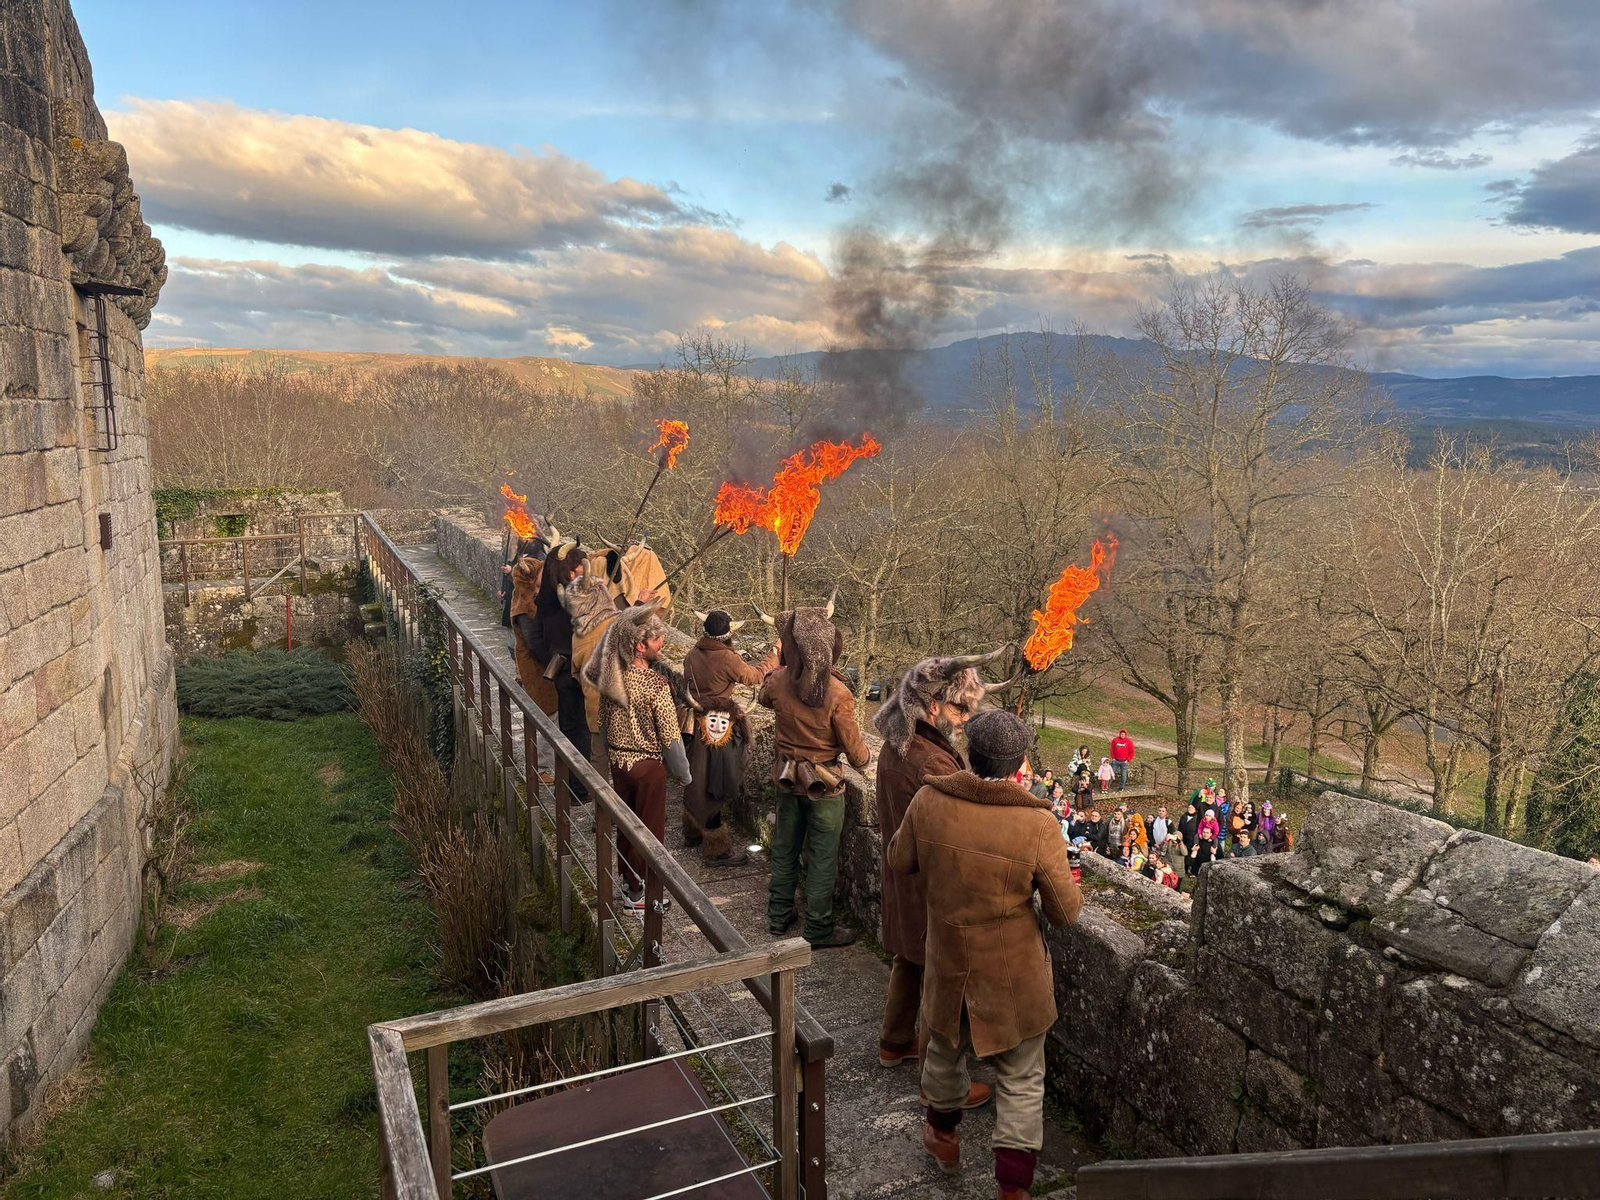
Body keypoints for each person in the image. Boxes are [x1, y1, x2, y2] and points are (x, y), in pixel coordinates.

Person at [889, 709, 1082, 1198]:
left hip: (948, 957)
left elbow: (899, 859)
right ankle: (1012, 1187)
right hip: (1012, 972)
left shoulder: (930, 799)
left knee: (943, 1047)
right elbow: (1065, 912)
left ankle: (943, 1134)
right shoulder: (1036, 824)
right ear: (1020, 764)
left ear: (968, 753)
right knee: (1020, 1075)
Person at [873, 648, 1008, 1107]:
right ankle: (941, 1084)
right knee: (939, 978)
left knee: (908, 958)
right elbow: (965, 815)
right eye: (958, 707)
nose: (963, 718)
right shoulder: (931, 759)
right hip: (929, 881)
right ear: (932, 704)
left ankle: (893, 1042)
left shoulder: (899, 740)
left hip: (901, 870)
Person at [760, 590, 871, 949]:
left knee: (785, 847)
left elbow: (763, 698)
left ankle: (778, 915)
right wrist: (868, 759)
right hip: (825, 787)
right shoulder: (839, 694)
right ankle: (818, 928)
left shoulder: (778, 681)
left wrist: (780, 664)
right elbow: (857, 755)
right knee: (822, 858)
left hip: (787, 779)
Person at [584, 599, 691, 909]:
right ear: (640, 646)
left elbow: (602, 724)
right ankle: (641, 892)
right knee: (649, 831)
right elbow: (671, 738)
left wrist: (615, 751)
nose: (662, 642)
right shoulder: (656, 685)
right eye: (656, 638)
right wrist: (683, 774)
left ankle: (628, 881)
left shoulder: (611, 679)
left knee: (626, 826)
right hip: (648, 767)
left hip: (619, 762)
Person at [680, 609, 778, 867]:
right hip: (721, 726)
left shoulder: (691, 654)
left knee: (697, 775)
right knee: (717, 781)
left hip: (697, 721)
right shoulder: (727, 657)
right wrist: (774, 655)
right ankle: (716, 849)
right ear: (727, 634)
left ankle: (691, 831)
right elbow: (754, 676)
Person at [529, 539, 592, 800]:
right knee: (582, 731)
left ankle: (568, 787)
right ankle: (578, 789)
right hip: (576, 671)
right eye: (576, 568)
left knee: (570, 729)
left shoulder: (546, 597)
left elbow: (537, 637)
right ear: (566, 570)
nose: (580, 572)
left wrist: (552, 659)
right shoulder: (569, 598)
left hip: (563, 670)